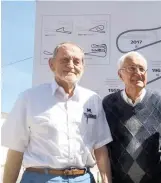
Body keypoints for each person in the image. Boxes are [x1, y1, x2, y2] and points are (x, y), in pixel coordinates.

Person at [1, 42, 112, 183]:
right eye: (65, 60)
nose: (71, 65)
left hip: (83, 179)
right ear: (51, 64)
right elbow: (15, 150)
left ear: (82, 67)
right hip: (39, 178)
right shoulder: (28, 99)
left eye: (76, 61)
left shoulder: (93, 100)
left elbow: (101, 148)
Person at [102, 51, 161, 183]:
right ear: (120, 74)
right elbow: (102, 146)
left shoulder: (159, 101)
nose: (138, 73)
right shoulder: (108, 104)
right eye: (132, 68)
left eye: (142, 69)